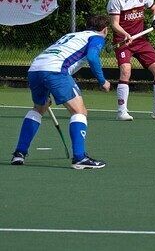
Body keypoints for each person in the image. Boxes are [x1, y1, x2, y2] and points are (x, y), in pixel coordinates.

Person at [10, 15, 111, 169]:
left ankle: (19, 153)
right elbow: (92, 57)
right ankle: (79, 158)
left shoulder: (71, 35)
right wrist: (102, 81)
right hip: (56, 70)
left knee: (39, 108)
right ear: (105, 29)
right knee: (79, 111)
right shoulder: (97, 37)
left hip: (35, 68)